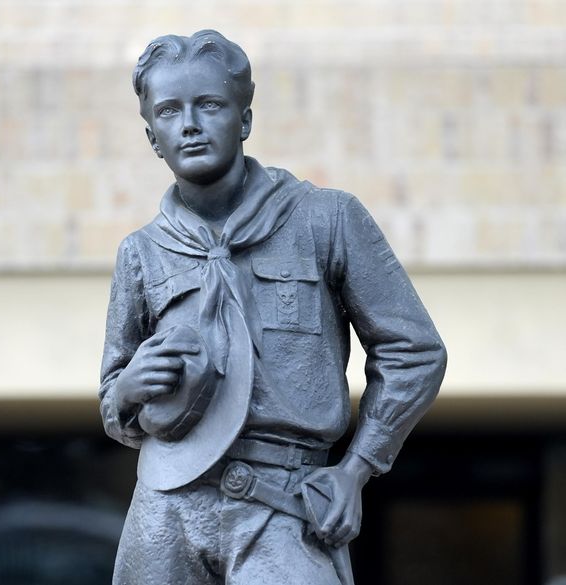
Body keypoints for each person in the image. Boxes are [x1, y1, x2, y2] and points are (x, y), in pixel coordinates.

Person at [99, 30, 447, 585]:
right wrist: (126, 389)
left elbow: (414, 352)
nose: (189, 124)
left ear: (244, 120)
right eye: (169, 111)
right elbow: (112, 400)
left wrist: (356, 469)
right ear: (152, 138)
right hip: (165, 508)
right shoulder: (140, 252)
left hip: (282, 503)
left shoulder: (325, 219)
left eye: (209, 105)